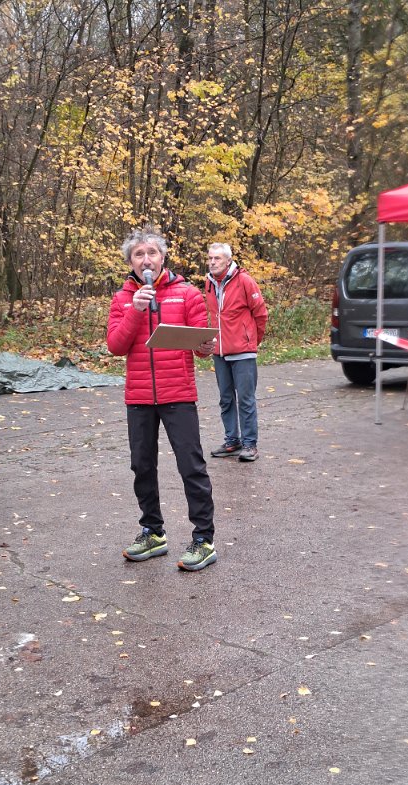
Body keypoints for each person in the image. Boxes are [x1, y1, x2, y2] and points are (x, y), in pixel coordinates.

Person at [107, 226, 217, 571]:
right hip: (139, 396)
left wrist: (205, 346)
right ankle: (153, 532)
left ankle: (204, 539)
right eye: (138, 254)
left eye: (151, 252)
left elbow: (200, 346)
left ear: (163, 257)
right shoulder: (122, 299)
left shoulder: (187, 294)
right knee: (142, 466)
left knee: (191, 466)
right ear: (131, 262)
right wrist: (135, 310)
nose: (146, 259)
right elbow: (116, 346)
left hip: (178, 394)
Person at [205, 243, 268, 462]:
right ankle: (232, 441)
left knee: (245, 400)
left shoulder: (244, 280)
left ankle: (250, 444)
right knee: (225, 399)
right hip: (220, 351)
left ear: (228, 261)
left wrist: (251, 341)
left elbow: (261, 314)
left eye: (217, 258)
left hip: (243, 352)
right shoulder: (209, 282)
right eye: (210, 258)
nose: (212, 262)